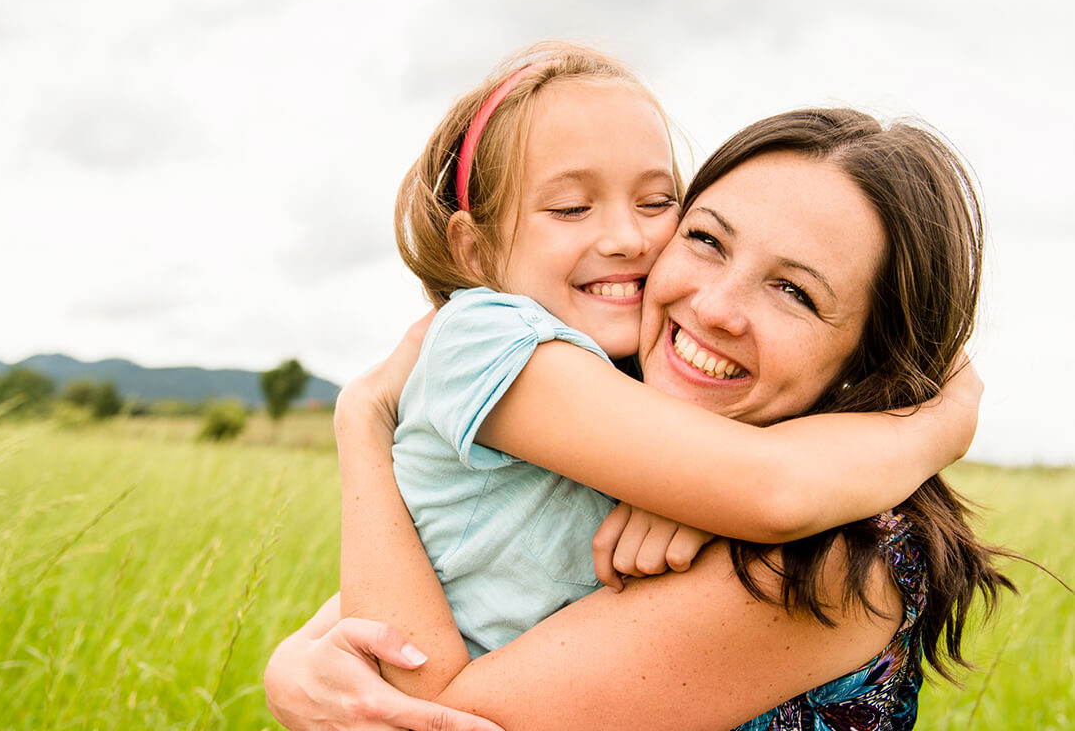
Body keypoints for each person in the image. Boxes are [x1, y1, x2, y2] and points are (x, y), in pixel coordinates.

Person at [264, 106, 1012, 730]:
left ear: (868, 357)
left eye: (795, 292)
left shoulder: (829, 559)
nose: (714, 307)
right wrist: (295, 664)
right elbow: (440, 577)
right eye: (706, 239)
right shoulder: (624, 444)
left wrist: (363, 423)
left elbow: (409, 711)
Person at [351, 43, 978, 667]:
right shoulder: (487, 336)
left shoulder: (629, 379)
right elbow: (770, 488)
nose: (627, 239)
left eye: (656, 203)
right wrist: (946, 421)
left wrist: (701, 502)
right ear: (475, 253)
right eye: (571, 208)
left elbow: (756, 485)